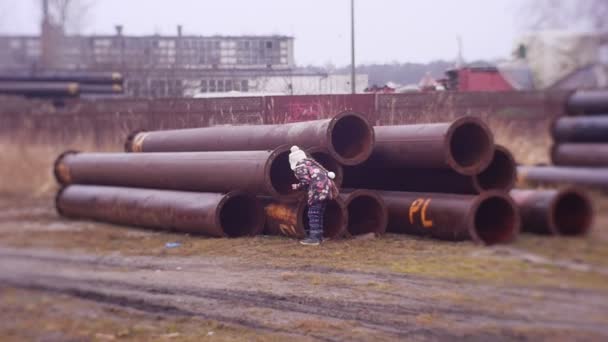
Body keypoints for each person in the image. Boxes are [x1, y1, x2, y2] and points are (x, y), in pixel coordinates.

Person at [289, 145, 339, 246]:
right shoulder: (311, 164)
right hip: (326, 190)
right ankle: (319, 236)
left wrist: (297, 186)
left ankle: (314, 238)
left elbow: (306, 181)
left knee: (313, 213)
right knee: (319, 213)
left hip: (317, 191)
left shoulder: (300, 167)